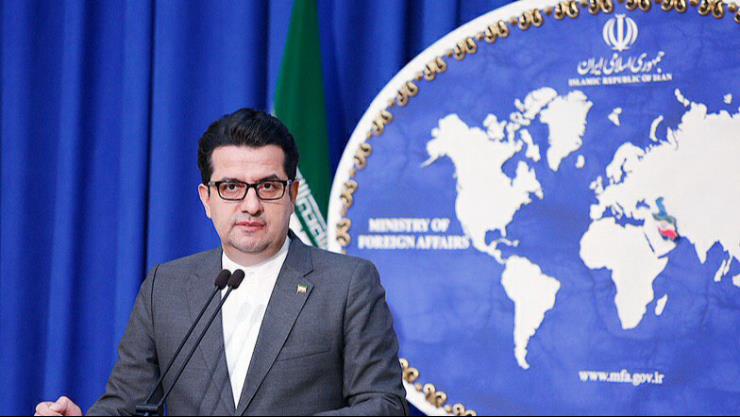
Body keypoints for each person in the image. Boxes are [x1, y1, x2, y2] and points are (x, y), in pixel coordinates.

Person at [35, 109, 408, 416]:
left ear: (293, 194)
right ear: (206, 199)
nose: (251, 205)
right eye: (231, 187)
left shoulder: (347, 284)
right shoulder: (165, 288)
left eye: (268, 186)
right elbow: (127, 406)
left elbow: (385, 405)